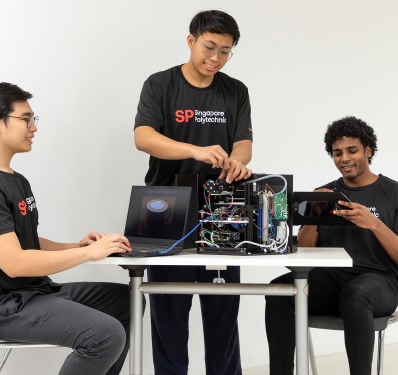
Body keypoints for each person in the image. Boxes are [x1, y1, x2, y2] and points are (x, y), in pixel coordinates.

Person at [0, 82, 134, 375]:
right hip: (6, 308)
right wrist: (90, 256)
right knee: (105, 334)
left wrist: (78, 247)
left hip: (36, 293)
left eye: (32, 120)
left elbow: (27, 242)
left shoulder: (15, 180)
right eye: (26, 119)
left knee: (127, 301)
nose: (33, 128)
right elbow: (15, 262)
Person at [133, 9, 253, 375]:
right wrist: (195, 151)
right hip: (163, 206)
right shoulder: (160, 84)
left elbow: (244, 142)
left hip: (222, 207)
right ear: (191, 41)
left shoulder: (235, 90)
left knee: (223, 310)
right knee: (168, 310)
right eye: (209, 47)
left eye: (225, 51)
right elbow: (144, 138)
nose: (215, 58)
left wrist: (236, 161)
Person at [265, 116, 398, 375]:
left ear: (368, 151)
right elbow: (304, 254)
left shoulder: (397, 194)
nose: (344, 159)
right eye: (337, 153)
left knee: (356, 293)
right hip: (331, 283)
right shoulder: (325, 193)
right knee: (281, 291)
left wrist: (374, 224)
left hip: (378, 283)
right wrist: (314, 214)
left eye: (352, 150)